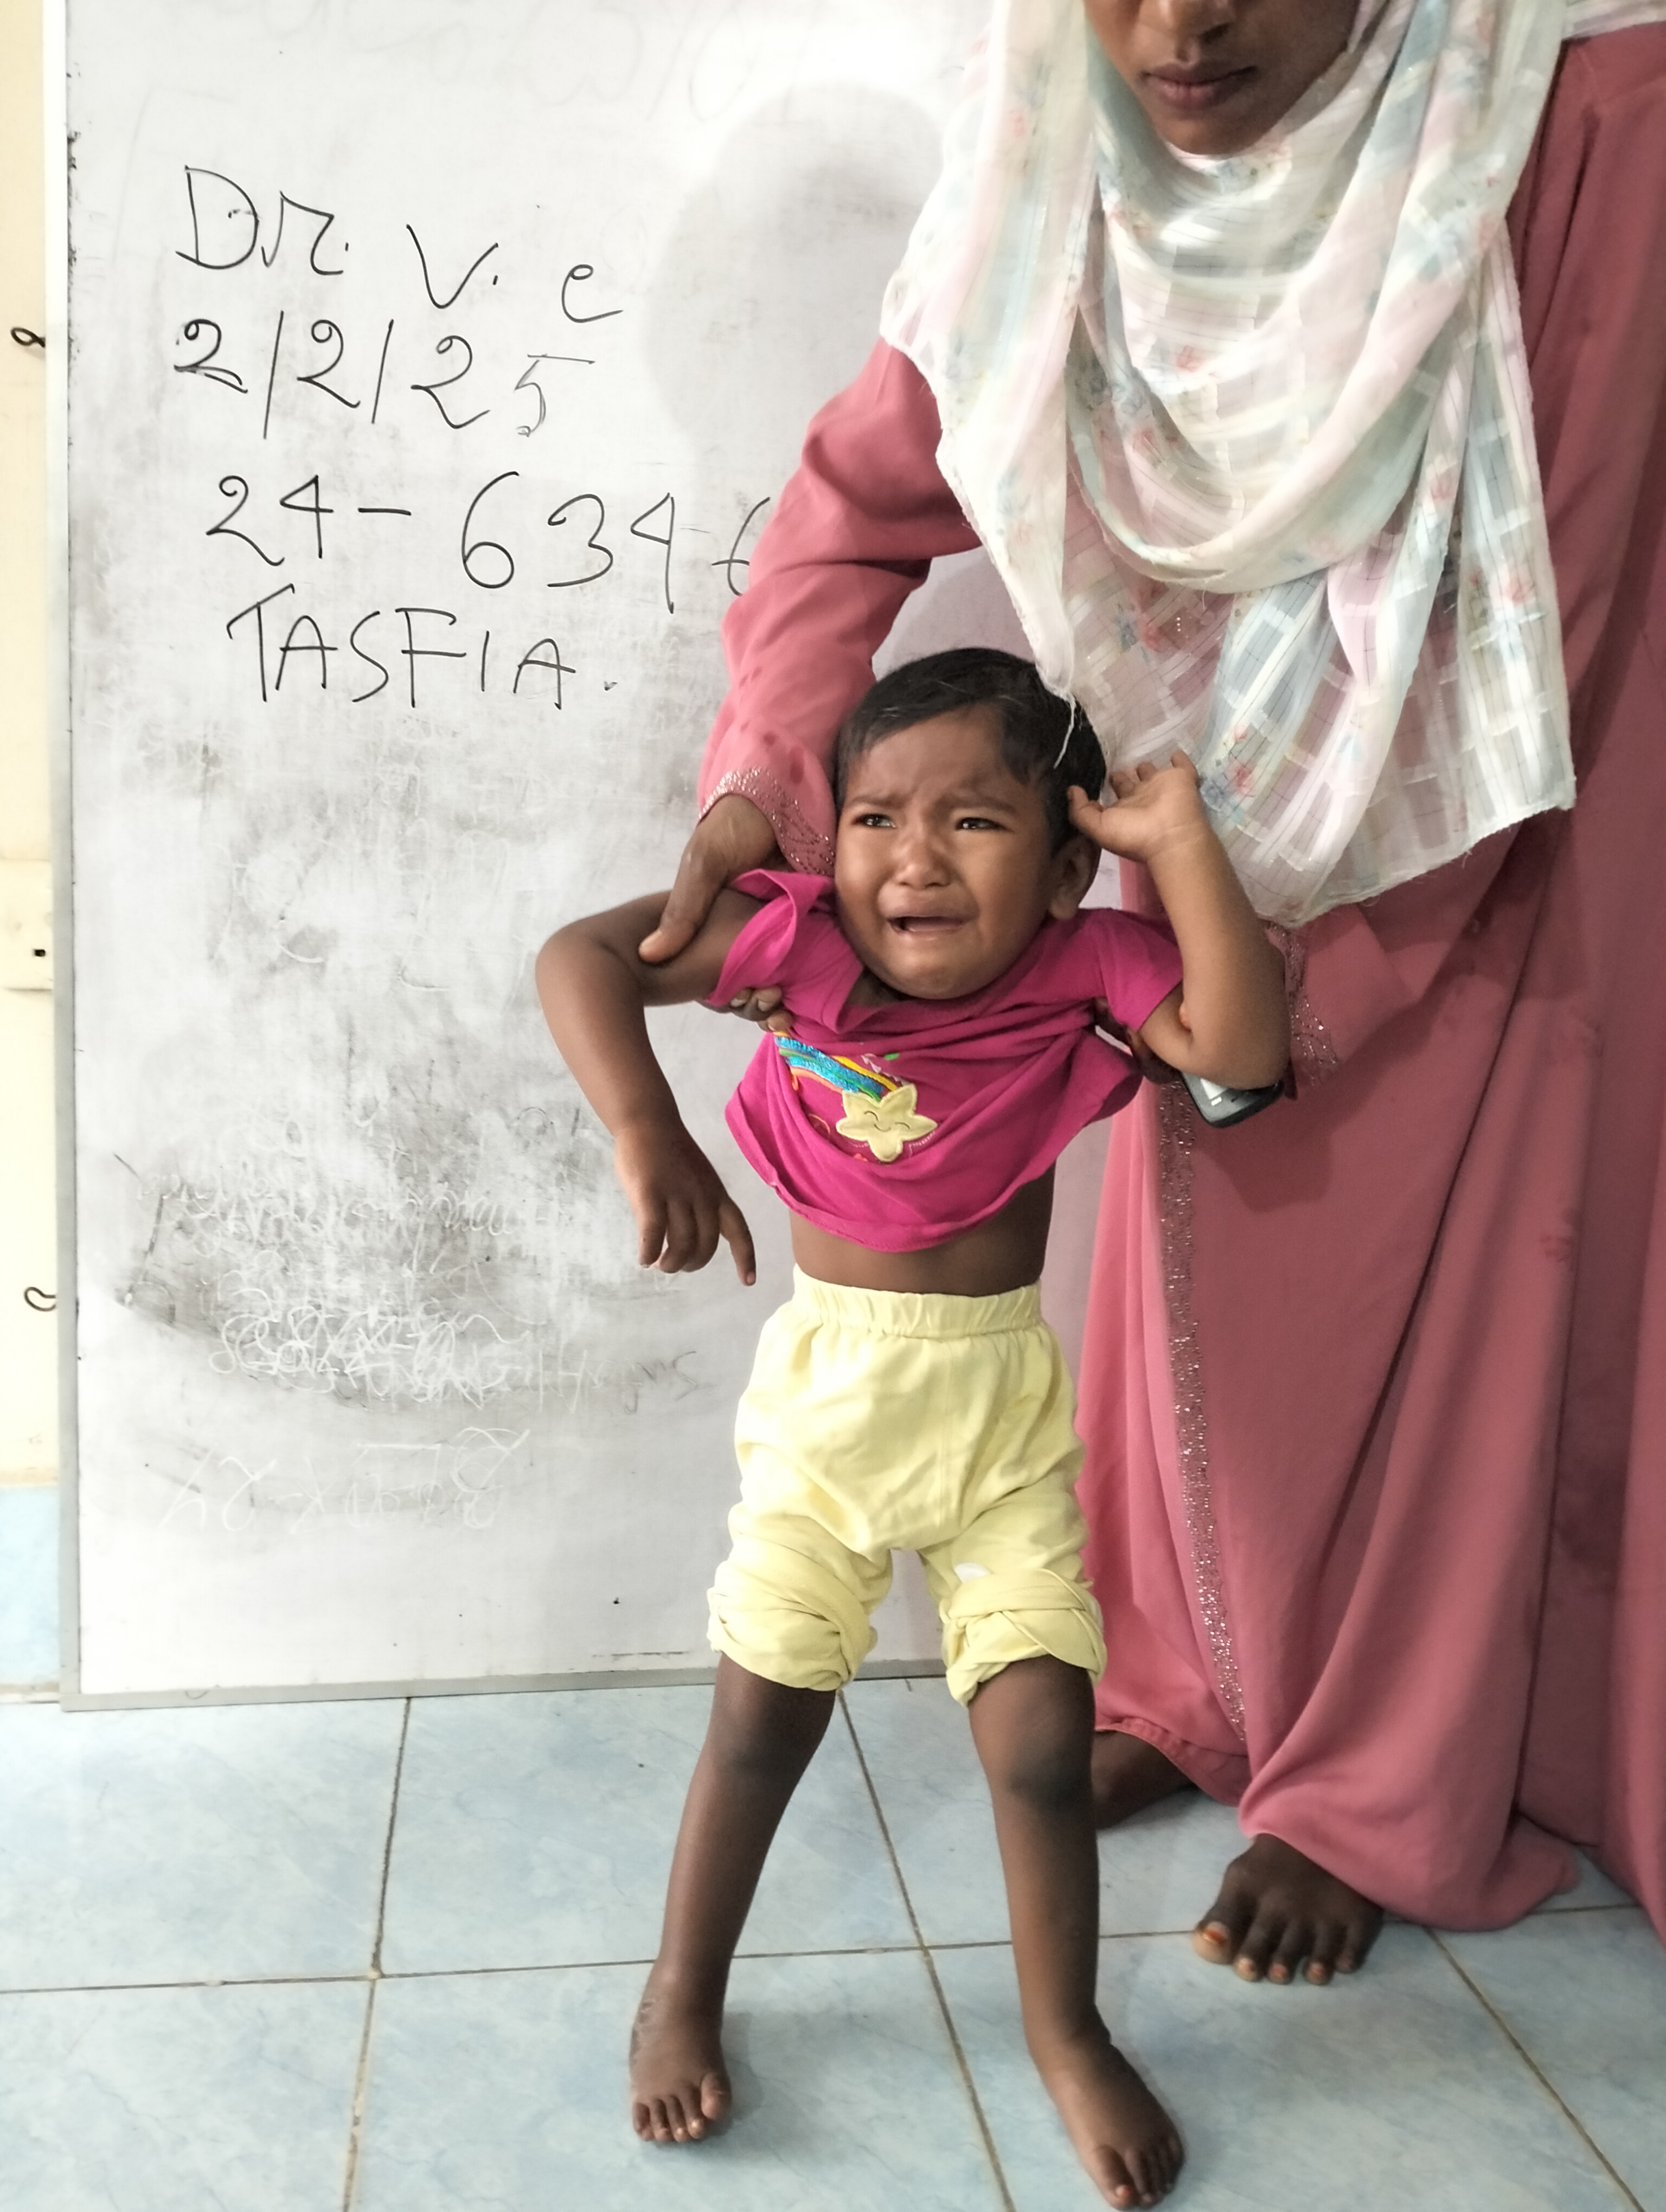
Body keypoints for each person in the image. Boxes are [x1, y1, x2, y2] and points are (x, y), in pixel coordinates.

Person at [640, 0, 1666, 1985]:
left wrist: (1339, 896)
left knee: (1472, 1310)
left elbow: (1582, 552)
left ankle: (1377, 1782)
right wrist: (770, 800)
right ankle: (1197, 1687)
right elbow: (855, 506)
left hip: (1506, 827)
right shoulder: (1054, 167)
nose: (1182, 24)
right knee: (1209, 1306)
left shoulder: (1554, 131)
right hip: (1196, 875)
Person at [536, 650, 1288, 2208]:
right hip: (829, 1409)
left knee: (1040, 1747)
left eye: (974, 821)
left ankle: (1066, 2032)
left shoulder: (1089, 966)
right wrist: (645, 1128)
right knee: (763, 1721)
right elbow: (581, 957)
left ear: (1066, 865)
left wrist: (1179, 846)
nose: (914, 860)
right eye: (876, 818)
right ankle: (680, 1989)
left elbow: (1242, 1053)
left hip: (1001, 1419)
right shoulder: (795, 941)